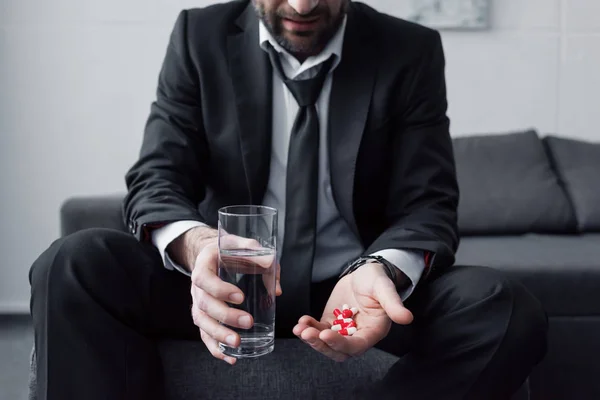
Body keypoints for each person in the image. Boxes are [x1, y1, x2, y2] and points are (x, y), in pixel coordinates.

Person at [29, 0, 548, 399]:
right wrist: (200, 247)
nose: (302, 7)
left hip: (351, 298)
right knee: (71, 264)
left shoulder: (408, 50)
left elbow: (428, 203)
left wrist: (381, 271)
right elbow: (156, 176)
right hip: (230, 284)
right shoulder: (199, 35)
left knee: (504, 307)